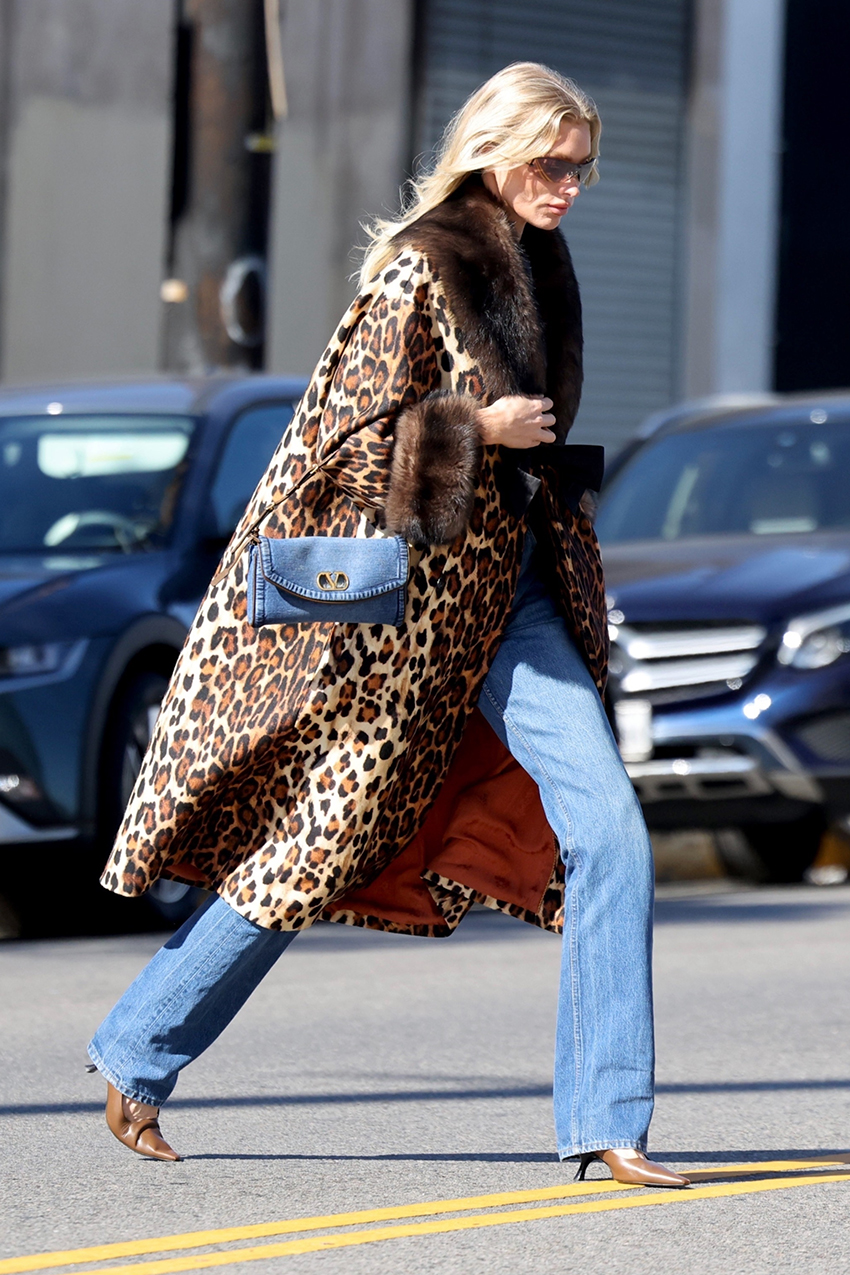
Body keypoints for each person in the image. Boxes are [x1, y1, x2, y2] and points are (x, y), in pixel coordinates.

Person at [88, 61, 688, 1188]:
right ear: (493, 152)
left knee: (611, 830)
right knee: (316, 840)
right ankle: (140, 1048)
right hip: (403, 618)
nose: (571, 183)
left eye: (583, 166)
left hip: (515, 599)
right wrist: (477, 430)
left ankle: (612, 1123)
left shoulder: (545, 264)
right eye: (552, 162)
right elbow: (340, 446)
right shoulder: (423, 265)